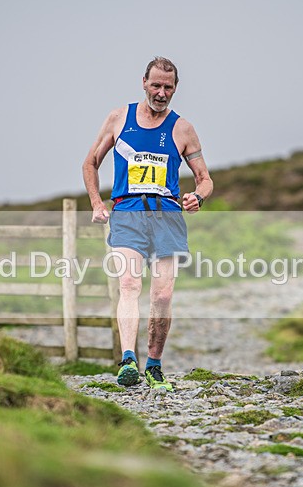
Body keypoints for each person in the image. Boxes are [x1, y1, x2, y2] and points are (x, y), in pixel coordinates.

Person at [83, 57, 213, 390]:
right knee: (128, 284)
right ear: (143, 82)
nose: (161, 92)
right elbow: (90, 163)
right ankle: (128, 359)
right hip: (128, 213)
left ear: (175, 88)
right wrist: (97, 203)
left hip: (167, 216)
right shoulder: (118, 118)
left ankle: (154, 365)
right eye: (155, 85)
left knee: (163, 296)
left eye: (168, 87)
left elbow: (204, 179)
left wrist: (198, 196)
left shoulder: (182, 128)